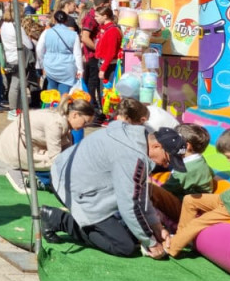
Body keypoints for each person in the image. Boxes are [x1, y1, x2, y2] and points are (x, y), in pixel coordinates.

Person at [43, 110, 183, 258]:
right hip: (70, 185)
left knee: (132, 232)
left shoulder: (137, 139)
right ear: (157, 146)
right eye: (168, 159)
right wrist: (151, 243)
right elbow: (129, 204)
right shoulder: (131, 156)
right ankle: (58, 219)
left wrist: (156, 226)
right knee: (124, 246)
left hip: (72, 174)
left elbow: (139, 192)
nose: (167, 165)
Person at [167, 128, 230, 257]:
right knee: (190, 199)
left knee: (197, 222)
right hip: (225, 199)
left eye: (229, 157)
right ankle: (181, 236)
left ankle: (172, 248)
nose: (229, 161)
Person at [0, 97, 93, 194]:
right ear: (75, 115)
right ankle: (19, 172)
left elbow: (67, 151)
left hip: (25, 143)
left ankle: (45, 179)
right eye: (85, 122)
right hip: (15, 146)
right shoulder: (55, 124)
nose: (85, 126)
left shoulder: (62, 119)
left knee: (65, 158)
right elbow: (56, 157)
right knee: (56, 160)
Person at [148, 123, 215, 223]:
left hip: (185, 209)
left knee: (151, 190)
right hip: (191, 204)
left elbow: (166, 190)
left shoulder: (186, 169)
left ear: (187, 146)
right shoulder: (198, 161)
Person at [36, 10, 84, 95]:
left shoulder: (46, 32)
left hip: (50, 65)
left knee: (51, 93)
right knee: (64, 94)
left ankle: (50, 107)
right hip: (67, 67)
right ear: (66, 20)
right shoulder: (74, 35)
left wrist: (42, 64)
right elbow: (77, 54)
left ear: (54, 20)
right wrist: (80, 69)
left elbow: (39, 49)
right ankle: (62, 106)